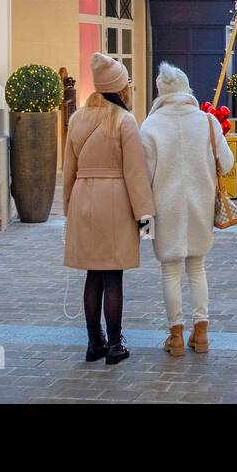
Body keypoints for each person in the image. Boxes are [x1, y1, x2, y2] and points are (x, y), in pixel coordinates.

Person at [63, 53, 155, 366]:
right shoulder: (124, 120)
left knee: (93, 274)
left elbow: (68, 171)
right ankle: (115, 344)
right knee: (113, 276)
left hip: (83, 199)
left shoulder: (76, 119)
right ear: (119, 88)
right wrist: (145, 215)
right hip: (114, 202)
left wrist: (68, 209)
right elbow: (135, 173)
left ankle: (93, 342)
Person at [139, 63, 233, 359]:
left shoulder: (150, 126)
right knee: (197, 267)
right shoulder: (207, 121)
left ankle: (176, 336)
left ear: (160, 92)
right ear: (187, 87)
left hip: (163, 209)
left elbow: (143, 176)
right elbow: (227, 164)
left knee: (170, 271)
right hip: (200, 206)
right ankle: (201, 332)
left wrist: (144, 226)